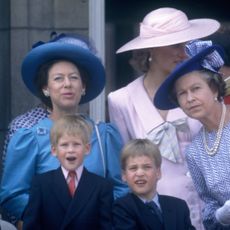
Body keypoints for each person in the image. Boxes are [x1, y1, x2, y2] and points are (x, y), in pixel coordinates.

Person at [108, 7, 220, 230]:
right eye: (175, 45)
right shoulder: (121, 100)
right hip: (154, 216)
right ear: (151, 49)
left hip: (210, 210)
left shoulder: (199, 92)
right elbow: (124, 166)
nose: (184, 53)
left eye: (187, 45)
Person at [0, 33, 128, 225]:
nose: (67, 84)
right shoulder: (29, 136)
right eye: (58, 78)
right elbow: (14, 194)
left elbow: (121, 188)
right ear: (45, 88)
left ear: (83, 87)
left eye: (74, 78)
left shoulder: (104, 135)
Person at [154, 42, 230, 229]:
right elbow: (209, 214)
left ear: (213, 89)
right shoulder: (195, 152)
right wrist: (222, 215)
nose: (190, 99)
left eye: (196, 89)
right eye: (182, 94)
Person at [22, 114, 113, 230]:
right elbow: (31, 226)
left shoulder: (102, 186)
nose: (70, 150)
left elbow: (106, 226)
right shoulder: (41, 183)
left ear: (87, 148)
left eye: (76, 144)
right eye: (64, 145)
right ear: (54, 150)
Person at [113, 138, 195, 230]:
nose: (140, 173)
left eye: (147, 167)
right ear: (124, 175)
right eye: (133, 168)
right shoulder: (121, 208)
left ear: (158, 172)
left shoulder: (179, 206)